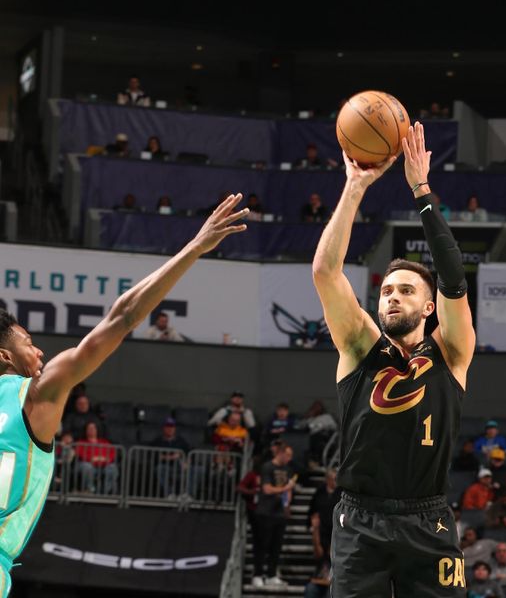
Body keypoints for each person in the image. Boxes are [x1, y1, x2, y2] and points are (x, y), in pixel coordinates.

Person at [0, 193, 247, 595]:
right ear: (5, 356)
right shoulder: (36, 394)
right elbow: (124, 317)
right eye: (29, 342)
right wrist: (195, 247)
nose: (40, 350)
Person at [312, 122, 475, 597]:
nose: (392, 298)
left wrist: (421, 190)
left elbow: (453, 278)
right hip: (361, 517)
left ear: (430, 307)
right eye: (385, 291)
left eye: (406, 290)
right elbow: (325, 271)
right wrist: (354, 186)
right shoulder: (361, 346)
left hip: (429, 518)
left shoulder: (452, 350)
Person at [252, 444, 296, 588]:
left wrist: (287, 505)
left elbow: (288, 491)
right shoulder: (267, 467)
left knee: (276, 546)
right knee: (262, 545)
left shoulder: (287, 469)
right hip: (265, 512)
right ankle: (258, 574)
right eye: (288, 455)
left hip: (279, 513)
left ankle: (271, 574)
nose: (290, 458)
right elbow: (266, 489)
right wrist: (285, 489)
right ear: (281, 453)